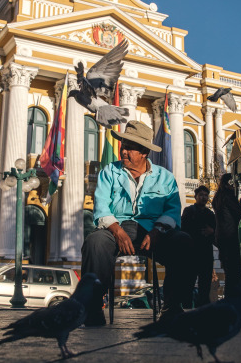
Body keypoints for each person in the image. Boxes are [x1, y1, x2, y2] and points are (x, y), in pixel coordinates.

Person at [81, 120, 195, 326]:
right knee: (94, 242)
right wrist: (116, 230)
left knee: (183, 241)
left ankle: (171, 306)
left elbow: (172, 210)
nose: (123, 151)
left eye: (129, 147)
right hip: (117, 227)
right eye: (123, 145)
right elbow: (101, 207)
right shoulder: (109, 172)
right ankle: (93, 307)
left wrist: (158, 231)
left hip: (153, 231)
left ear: (144, 152)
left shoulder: (165, 178)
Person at [181, 185, 216, 307]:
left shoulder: (210, 214)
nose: (203, 197)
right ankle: (186, 308)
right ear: (196, 197)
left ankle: (203, 309)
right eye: (201, 195)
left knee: (205, 284)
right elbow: (184, 228)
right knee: (188, 282)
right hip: (191, 253)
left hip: (206, 253)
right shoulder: (189, 211)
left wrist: (212, 232)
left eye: (206, 195)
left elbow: (216, 233)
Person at [211, 173, 241, 299]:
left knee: (229, 271)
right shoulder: (228, 196)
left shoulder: (218, 197)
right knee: (235, 271)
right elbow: (239, 214)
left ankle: (230, 297)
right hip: (231, 238)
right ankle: (233, 298)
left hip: (222, 238)